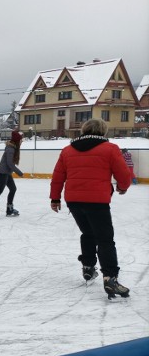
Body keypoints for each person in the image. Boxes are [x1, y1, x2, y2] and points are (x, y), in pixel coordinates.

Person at [49, 119, 131, 299]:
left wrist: (55, 198)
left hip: (74, 201)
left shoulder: (67, 150)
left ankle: (88, 267)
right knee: (105, 239)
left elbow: (57, 176)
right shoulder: (110, 149)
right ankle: (110, 278)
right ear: (103, 131)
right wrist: (123, 186)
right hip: (97, 202)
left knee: (87, 233)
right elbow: (123, 174)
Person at [0, 130, 24, 218]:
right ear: (17, 141)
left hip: (7, 173)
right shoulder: (10, 149)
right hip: (2, 172)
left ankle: (9, 209)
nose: (21, 142)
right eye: (20, 140)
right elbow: (10, 163)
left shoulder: (13, 148)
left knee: (13, 189)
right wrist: (19, 172)